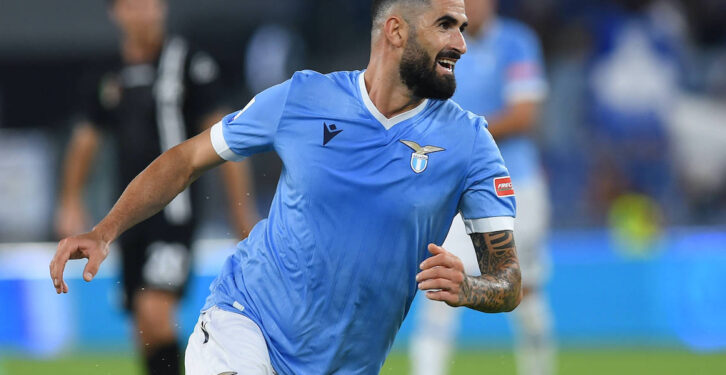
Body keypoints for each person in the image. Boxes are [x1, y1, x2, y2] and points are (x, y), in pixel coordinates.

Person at [50, 0, 523, 373]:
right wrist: (104, 230)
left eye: (461, 27)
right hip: (244, 319)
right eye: (446, 24)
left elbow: (509, 282)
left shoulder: (470, 142)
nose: (462, 43)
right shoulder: (303, 98)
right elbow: (188, 158)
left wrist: (471, 288)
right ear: (395, 31)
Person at [53, 0, 258, 374]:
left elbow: (228, 138)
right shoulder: (107, 74)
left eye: (151, 3)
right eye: (133, 5)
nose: (144, 12)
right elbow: (85, 140)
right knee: (143, 327)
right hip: (128, 219)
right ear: (116, 13)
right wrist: (70, 200)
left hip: (175, 215)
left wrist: (240, 212)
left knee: (155, 311)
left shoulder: (191, 65)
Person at [409, 1, 555, 374]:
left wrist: (466, 137)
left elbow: (525, 114)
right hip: (458, 189)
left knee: (526, 288)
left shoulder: (516, 42)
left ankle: (538, 368)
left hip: (517, 183)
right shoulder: (439, 47)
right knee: (438, 281)